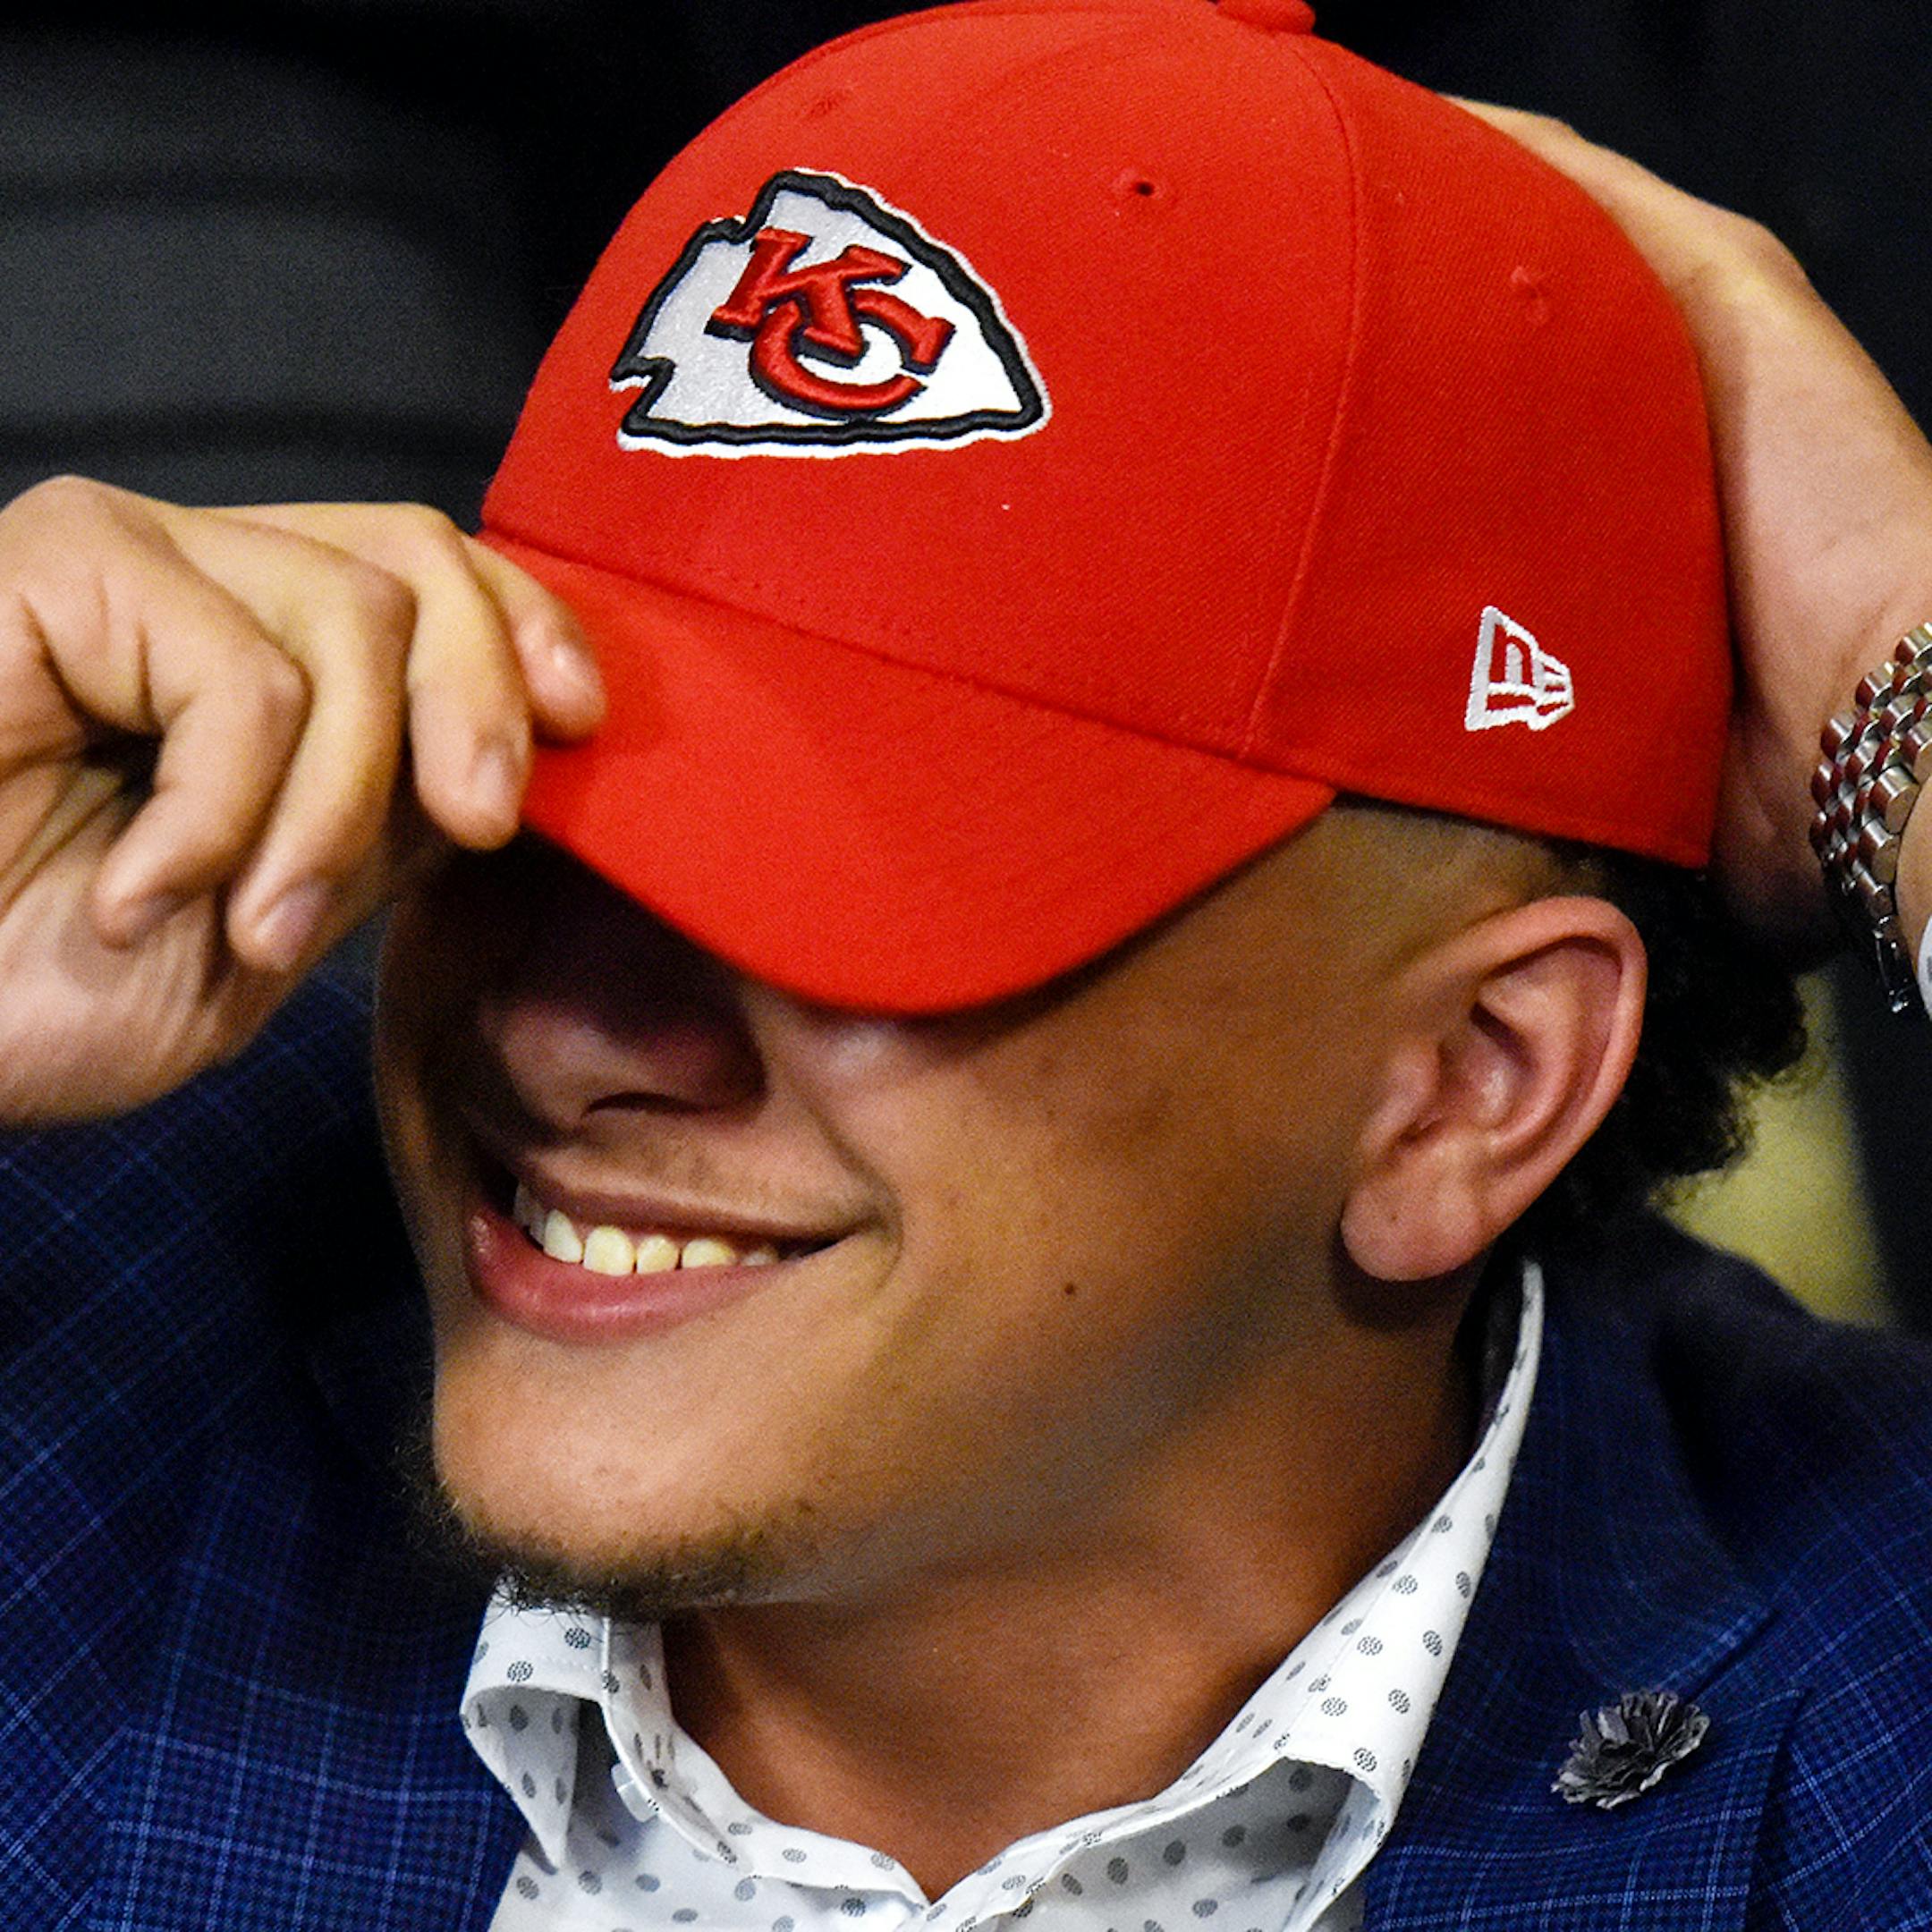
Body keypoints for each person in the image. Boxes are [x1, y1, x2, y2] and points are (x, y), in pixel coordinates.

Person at [4, 5, 1932, 1930]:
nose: (559, 1031)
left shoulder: (1868, 1696)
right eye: (518, 803)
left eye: (840, 899)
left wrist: (1904, 690)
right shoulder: (92, 1323)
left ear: (1471, 1081)